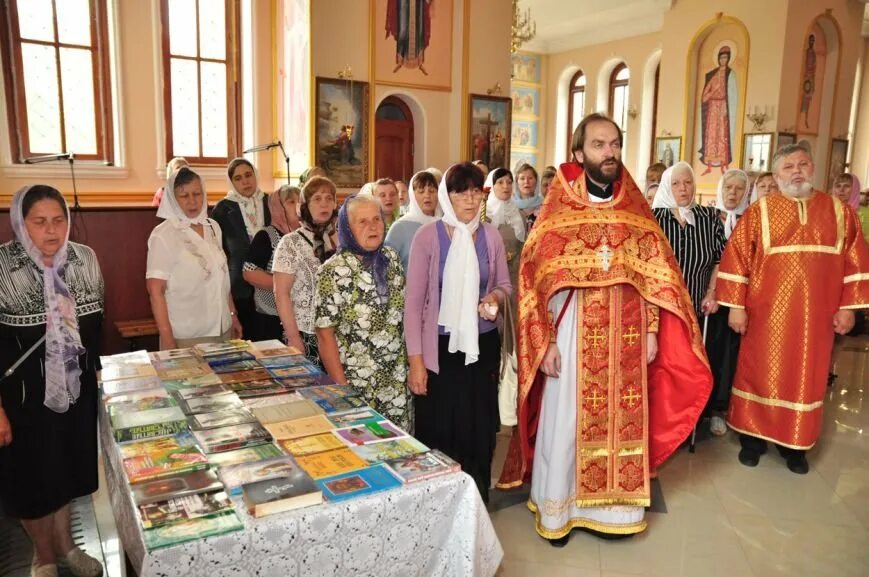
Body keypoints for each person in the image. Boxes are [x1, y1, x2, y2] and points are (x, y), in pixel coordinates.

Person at [496, 113, 711, 544]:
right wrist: (548, 342)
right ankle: (559, 512)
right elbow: (537, 281)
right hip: (572, 332)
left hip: (627, 336)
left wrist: (651, 329)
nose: (609, 152)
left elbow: (655, 277)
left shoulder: (635, 209)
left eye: (614, 143)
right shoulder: (557, 209)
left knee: (622, 419)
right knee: (566, 418)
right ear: (579, 153)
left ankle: (615, 515)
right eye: (598, 145)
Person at [716, 143, 869, 474]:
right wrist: (735, 307)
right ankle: (752, 440)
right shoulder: (760, 212)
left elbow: (856, 263)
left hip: (817, 320)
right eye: (788, 167)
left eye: (803, 164)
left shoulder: (840, 212)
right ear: (775, 174)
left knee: (808, 378)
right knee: (758, 373)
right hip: (764, 317)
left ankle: (794, 446)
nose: (797, 171)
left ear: (813, 169)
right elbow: (736, 260)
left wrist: (849, 309)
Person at [0, 185, 105, 577]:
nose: (52, 231)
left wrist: (97, 378)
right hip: (23, 399)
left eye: (59, 220)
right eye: (39, 222)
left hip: (76, 391)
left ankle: (66, 547)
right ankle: (42, 556)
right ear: (20, 223)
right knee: (31, 480)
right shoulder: (2, 266)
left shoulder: (85, 259)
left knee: (66, 471)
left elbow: (94, 330)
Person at [405, 162, 511, 503]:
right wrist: (416, 362)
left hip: (481, 346)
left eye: (475, 191)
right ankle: (438, 501)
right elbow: (413, 304)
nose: (469, 199)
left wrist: (494, 297)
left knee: (477, 425)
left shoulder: (490, 235)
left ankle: (475, 499)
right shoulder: (428, 237)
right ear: (446, 196)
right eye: (459, 191)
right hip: (439, 348)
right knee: (441, 425)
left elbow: (506, 285)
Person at [315, 195, 411, 429]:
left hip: (397, 381)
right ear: (347, 228)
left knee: (400, 451)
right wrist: (342, 389)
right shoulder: (333, 272)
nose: (373, 227)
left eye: (377, 219)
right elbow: (324, 335)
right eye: (362, 222)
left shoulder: (391, 259)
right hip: (357, 385)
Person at [147, 168, 242, 349]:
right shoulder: (163, 235)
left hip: (223, 329)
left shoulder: (213, 227)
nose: (192, 201)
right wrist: (167, 338)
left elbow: (221, 276)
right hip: (187, 336)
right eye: (184, 196)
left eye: (197, 193)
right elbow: (155, 290)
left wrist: (232, 315)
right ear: (173, 199)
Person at [701, 169, 751, 436]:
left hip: (739, 302)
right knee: (710, 354)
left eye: (739, 189)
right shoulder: (708, 217)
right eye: (728, 187)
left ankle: (722, 409)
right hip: (711, 299)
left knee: (730, 358)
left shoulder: (751, 219)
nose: (732, 193)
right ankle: (704, 409)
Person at [273, 176, 338, 363]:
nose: (324, 204)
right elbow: (281, 294)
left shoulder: (341, 239)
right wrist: (294, 338)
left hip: (340, 334)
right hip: (306, 334)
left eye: (329, 198)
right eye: (317, 199)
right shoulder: (291, 243)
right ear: (305, 205)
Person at [652, 162, 727, 320]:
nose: (683, 188)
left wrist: (712, 292)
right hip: (660, 312)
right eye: (676, 183)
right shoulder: (652, 219)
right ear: (666, 187)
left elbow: (720, 259)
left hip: (698, 310)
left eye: (688, 182)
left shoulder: (709, 218)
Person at [211, 158, 272, 335]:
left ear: (255, 175)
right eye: (238, 178)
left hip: (269, 279)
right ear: (231, 182)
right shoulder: (223, 209)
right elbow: (219, 250)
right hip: (239, 286)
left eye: (248, 175)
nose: (245, 181)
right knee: (246, 337)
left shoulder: (269, 201)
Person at [242, 185, 302, 341]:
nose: (296, 206)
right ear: (278, 208)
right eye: (290, 202)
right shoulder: (267, 235)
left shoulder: (306, 235)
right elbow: (249, 271)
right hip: (271, 319)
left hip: (300, 316)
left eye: (299, 201)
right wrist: (285, 285)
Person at [384, 170, 441, 270]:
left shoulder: (443, 225)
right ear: (412, 195)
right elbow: (386, 264)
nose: (427, 195)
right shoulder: (400, 227)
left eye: (432, 191)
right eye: (421, 191)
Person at [484, 168, 525, 299]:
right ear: (491, 186)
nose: (505, 186)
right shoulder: (484, 215)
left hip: (513, 275)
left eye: (509, 182)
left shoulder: (519, 215)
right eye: (500, 182)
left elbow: (523, 247)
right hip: (490, 277)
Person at [699, 46, 737, 176]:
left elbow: (732, 95)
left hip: (723, 109)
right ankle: (709, 166)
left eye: (726, 57)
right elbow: (704, 96)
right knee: (711, 136)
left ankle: (723, 165)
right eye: (721, 57)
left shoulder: (731, 74)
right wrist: (713, 94)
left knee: (722, 136)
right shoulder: (712, 75)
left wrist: (727, 107)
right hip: (713, 109)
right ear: (718, 59)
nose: (723, 60)